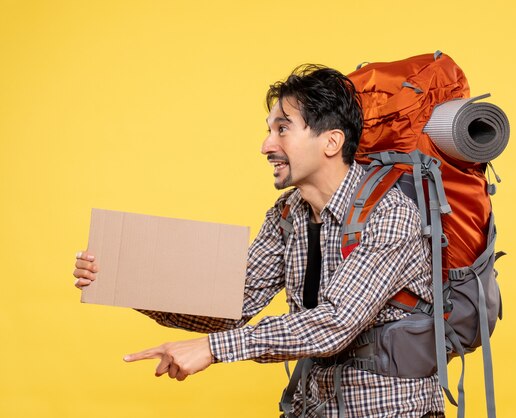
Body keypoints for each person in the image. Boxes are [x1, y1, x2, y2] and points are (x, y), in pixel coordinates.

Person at [73, 65, 445, 417]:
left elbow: (336, 323)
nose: (266, 145)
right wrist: (122, 279)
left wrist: (212, 350)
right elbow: (232, 305)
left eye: (282, 129)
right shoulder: (288, 214)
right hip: (314, 406)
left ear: (331, 142)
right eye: (269, 130)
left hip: (389, 409)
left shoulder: (391, 214)